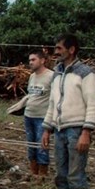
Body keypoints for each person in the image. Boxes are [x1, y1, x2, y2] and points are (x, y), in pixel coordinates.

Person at [42, 34, 95, 189]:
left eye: (59, 48)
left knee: (76, 174)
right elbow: (52, 103)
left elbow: (93, 103)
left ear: (72, 49)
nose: (56, 52)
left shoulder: (86, 73)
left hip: (77, 129)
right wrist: (47, 128)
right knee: (61, 174)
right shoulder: (57, 74)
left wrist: (86, 131)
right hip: (59, 129)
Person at [24, 49, 54, 177]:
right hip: (29, 115)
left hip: (42, 117)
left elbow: (55, 98)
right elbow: (30, 95)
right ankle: (33, 172)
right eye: (29, 60)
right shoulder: (32, 76)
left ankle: (42, 174)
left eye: (33, 59)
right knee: (31, 145)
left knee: (42, 145)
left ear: (42, 60)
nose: (30, 62)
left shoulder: (51, 76)